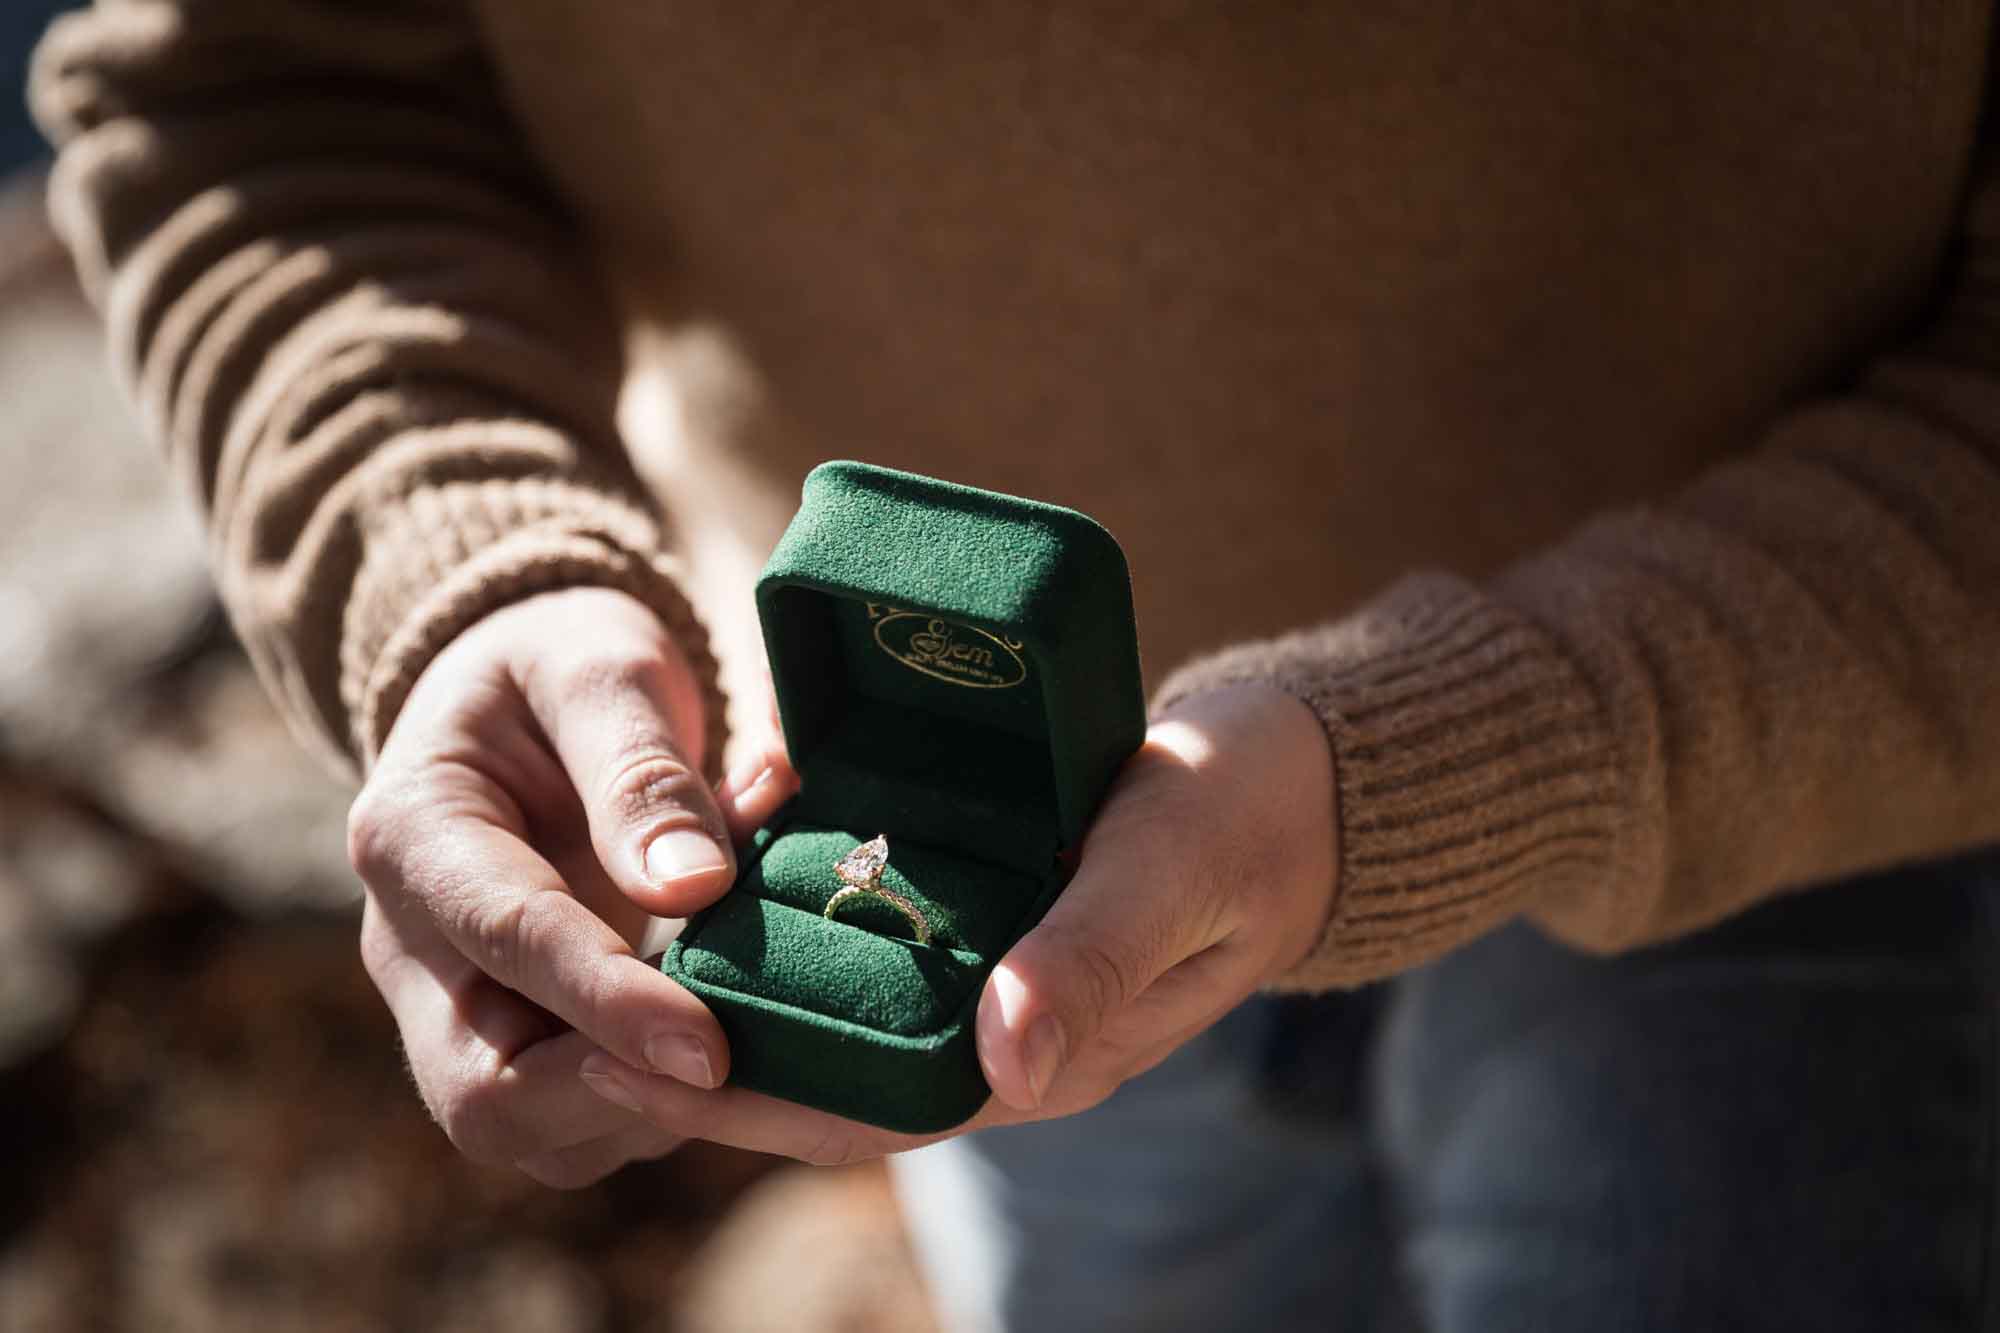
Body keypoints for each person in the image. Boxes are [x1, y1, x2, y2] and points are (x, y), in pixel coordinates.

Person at [30, 2, 2000, 1328]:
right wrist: (456, 554)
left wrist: (1513, 737)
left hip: (1792, 756)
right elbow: (252, 86)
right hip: (902, 809)